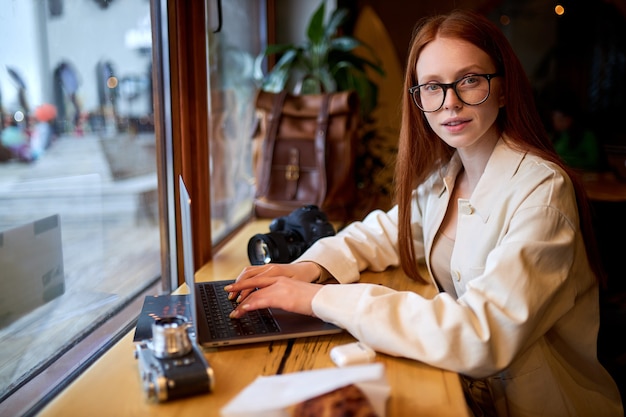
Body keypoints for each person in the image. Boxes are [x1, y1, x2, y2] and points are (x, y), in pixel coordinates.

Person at [225, 9, 623, 416]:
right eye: (432, 86)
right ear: (418, 98)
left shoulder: (542, 191)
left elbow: (482, 336)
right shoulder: (447, 174)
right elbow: (387, 231)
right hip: (471, 394)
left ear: (503, 90)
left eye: (469, 80)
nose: (450, 102)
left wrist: (320, 299)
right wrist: (308, 267)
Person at [548, 91, 603, 171]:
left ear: (569, 119)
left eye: (560, 119)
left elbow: (593, 162)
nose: (555, 121)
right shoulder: (553, 136)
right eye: (554, 118)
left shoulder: (587, 136)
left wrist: (564, 161)